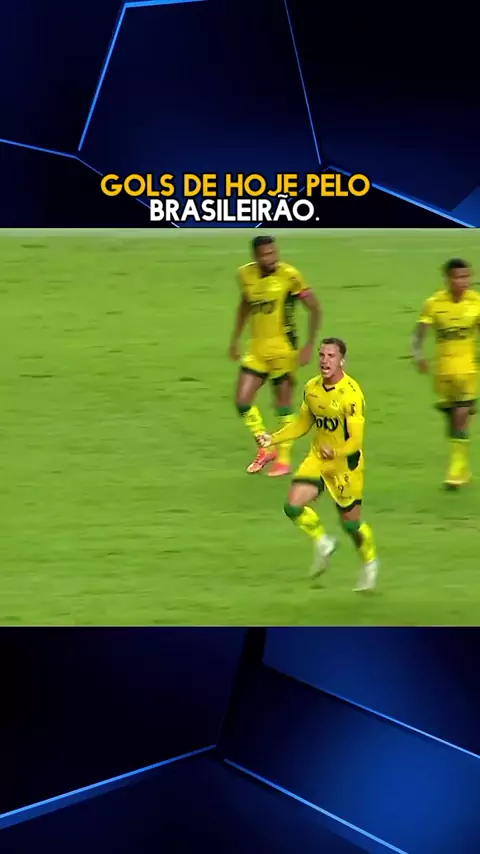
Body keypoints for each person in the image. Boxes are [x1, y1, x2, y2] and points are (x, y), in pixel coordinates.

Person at [257, 338, 378, 591]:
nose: (324, 361)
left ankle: (369, 563)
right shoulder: (312, 388)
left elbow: (356, 441)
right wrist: (273, 438)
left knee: (351, 525)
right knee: (292, 506)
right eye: (322, 355)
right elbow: (302, 424)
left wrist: (336, 451)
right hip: (319, 458)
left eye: (331, 356)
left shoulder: (351, 394)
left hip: (346, 464)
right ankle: (323, 542)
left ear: (342, 360)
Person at [229, 235, 321, 477]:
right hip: (257, 349)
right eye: (265, 254)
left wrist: (309, 345)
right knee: (242, 401)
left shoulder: (290, 276)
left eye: (273, 252)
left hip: (283, 349)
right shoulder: (245, 275)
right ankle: (266, 447)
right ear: (256, 256)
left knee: (283, 406)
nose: (271, 258)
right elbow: (245, 306)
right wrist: (235, 339)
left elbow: (315, 309)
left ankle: (284, 460)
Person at [412, 258, 480, 488]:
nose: (463, 281)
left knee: (461, 413)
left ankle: (455, 469)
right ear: (448, 279)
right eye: (458, 277)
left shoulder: (476, 302)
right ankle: (463, 468)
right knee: (454, 419)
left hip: (468, 370)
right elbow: (419, 333)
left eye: (466, 276)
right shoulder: (434, 303)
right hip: (444, 372)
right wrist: (418, 355)